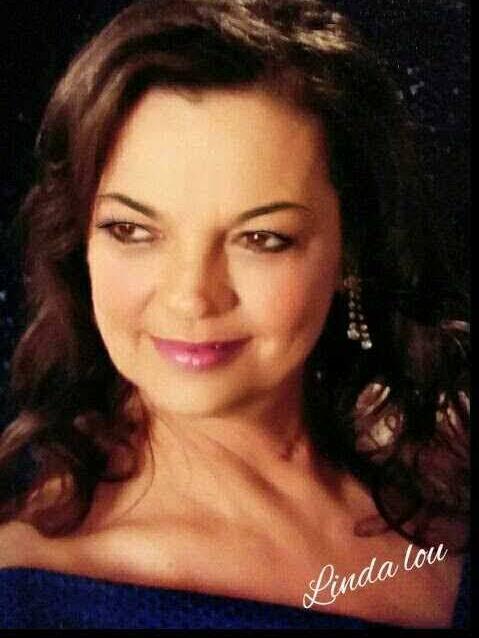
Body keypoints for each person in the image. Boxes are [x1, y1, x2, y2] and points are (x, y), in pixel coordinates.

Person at [0, 0, 469, 629]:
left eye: (261, 238)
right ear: (81, 242)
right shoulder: (30, 593)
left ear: (351, 252)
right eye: (132, 230)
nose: (192, 297)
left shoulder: (444, 482)